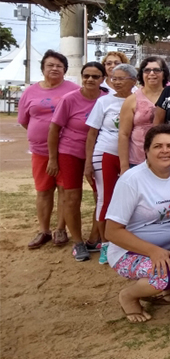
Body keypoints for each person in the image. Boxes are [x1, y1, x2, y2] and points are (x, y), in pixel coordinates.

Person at [104, 124, 170, 323]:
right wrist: (152, 251)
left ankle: (163, 291)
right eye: (157, 146)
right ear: (146, 150)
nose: (165, 151)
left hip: (168, 244)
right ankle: (129, 296)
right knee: (166, 273)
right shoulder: (131, 181)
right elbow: (112, 231)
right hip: (129, 252)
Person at [48, 62, 108, 261]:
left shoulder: (107, 99)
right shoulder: (69, 99)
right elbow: (54, 130)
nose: (90, 79)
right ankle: (77, 242)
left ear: (103, 79)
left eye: (95, 76)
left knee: (100, 196)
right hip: (71, 152)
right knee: (72, 197)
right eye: (86, 76)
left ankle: (94, 238)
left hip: (99, 153)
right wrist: (53, 159)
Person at [18, 50, 78, 249]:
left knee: (64, 189)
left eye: (59, 66)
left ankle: (61, 229)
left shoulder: (73, 90)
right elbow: (25, 120)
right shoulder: (30, 92)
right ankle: (43, 230)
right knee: (43, 190)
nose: (54, 69)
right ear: (43, 68)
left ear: (65, 70)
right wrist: (41, 134)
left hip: (66, 150)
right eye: (50, 65)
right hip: (40, 151)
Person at [84, 63, 137, 264]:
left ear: (133, 80)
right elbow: (92, 134)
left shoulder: (138, 98)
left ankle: (127, 240)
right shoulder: (103, 102)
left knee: (130, 200)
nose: (116, 82)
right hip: (105, 154)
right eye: (113, 78)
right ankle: (106, 244)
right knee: (104, 199)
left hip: (132, 156)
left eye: (121, 78)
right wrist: (88, 163)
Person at [118, 57, 169, 173]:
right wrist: (124, 166)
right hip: (137, 160)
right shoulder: (131, 100)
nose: (152, 74)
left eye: (156, 70)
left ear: (164, 73)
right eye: (147, 70)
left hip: (167, 159)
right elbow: (123, 134)